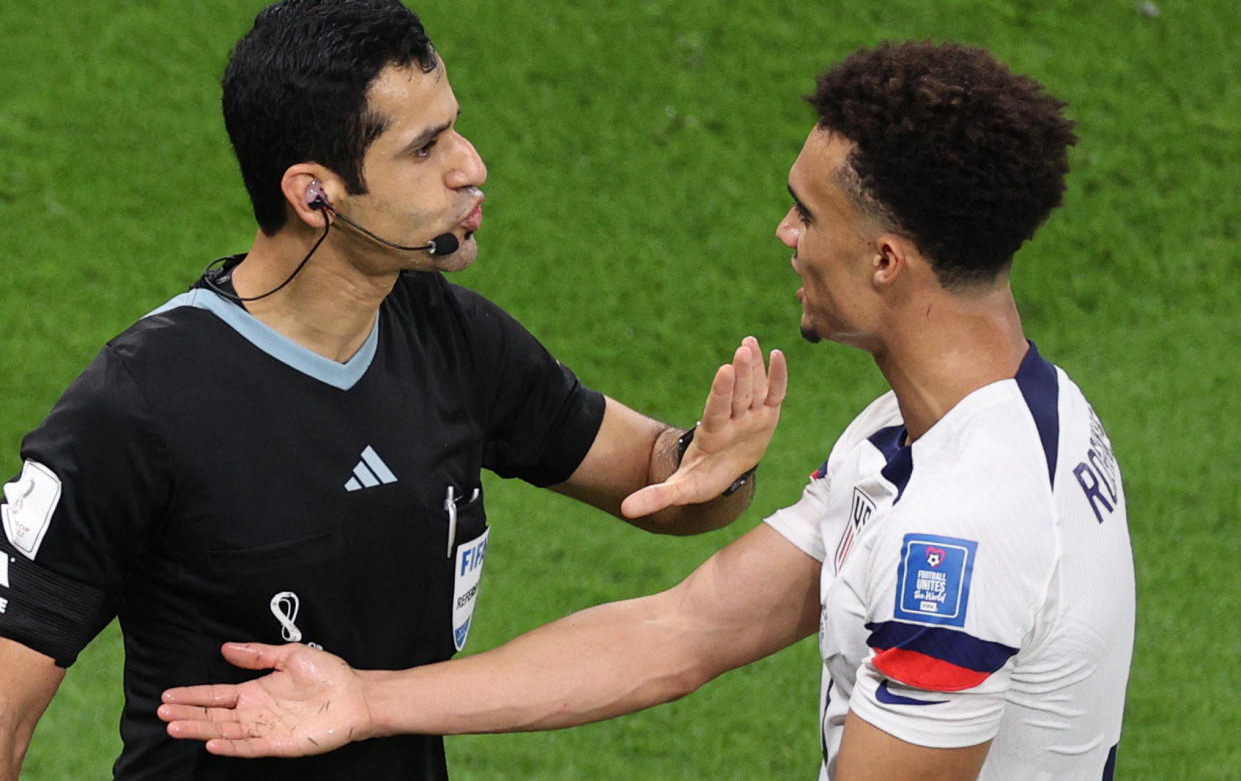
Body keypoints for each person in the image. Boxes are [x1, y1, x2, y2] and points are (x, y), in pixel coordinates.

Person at [159, 40, 1136, 781]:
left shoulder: (965, 530)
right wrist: (365, 699)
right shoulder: (917, 435)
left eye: (806, 213)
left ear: (886, 261)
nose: (783, 234)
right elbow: (686, 630)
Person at [0, 0, 787, 781]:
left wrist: (718, 465)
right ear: (315, 195)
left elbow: (660, 480)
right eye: (425, 148)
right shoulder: (141, 402)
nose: (470, 166)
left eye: (455, 127)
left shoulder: (449, 336)